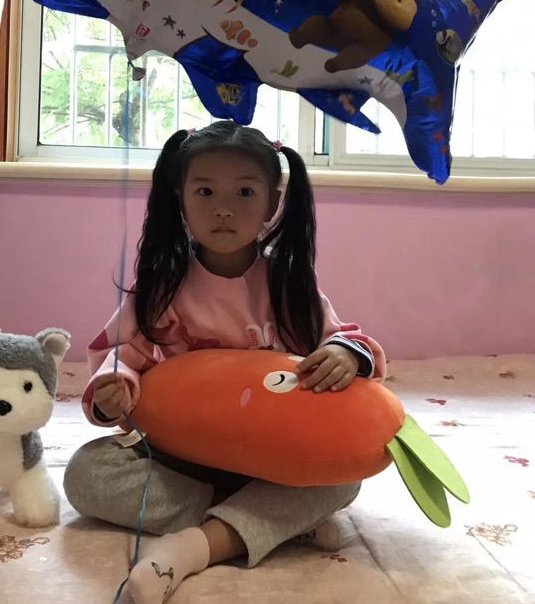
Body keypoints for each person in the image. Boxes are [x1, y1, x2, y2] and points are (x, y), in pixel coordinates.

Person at [64, 121, 386, 604]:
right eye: (205, 191)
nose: (223, 208)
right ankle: (263, 523)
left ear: (273, 203)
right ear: (180, 199)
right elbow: (121, 354)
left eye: (245, 192)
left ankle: (194, 547)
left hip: (270, 458)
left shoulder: (290, 283)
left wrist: (344, 354)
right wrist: (115, 387)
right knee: (86, 473)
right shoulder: (162, 286)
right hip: (184, 461)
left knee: (343, 478)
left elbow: (345, 340)